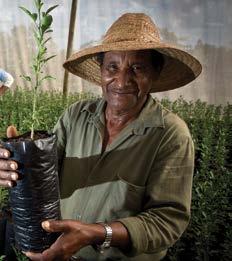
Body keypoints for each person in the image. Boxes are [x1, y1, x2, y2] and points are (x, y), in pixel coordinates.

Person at [0, 13, 202, 261]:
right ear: (101, 70)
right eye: (112, 67)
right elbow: (47, 173)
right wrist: (17, 165)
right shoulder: (76, 115)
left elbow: (167, 220)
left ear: (155, 72)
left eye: (137, 68)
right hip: (58, 252)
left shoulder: (170, 134)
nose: (122, 80)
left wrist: (97, 233)